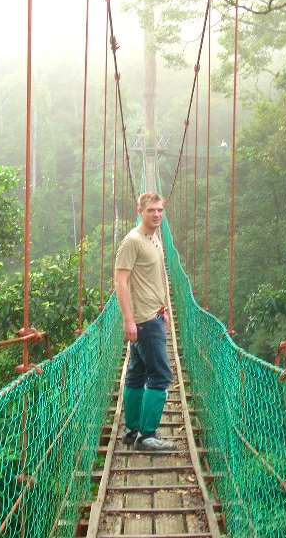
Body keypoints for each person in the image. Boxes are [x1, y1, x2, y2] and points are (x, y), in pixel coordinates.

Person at [114, 191, 175, 451]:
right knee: (160, 376)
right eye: (151, 210)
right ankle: (148, 436)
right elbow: (120, 281)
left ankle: (132, 430)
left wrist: (166, 310)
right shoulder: (132, 241)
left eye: (160, 210)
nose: (157, 214)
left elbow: (156, 278)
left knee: (136, 374)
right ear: (140, 211)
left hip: (154, 314)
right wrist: (129, 321)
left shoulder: (155, 238)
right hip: (144, 321)